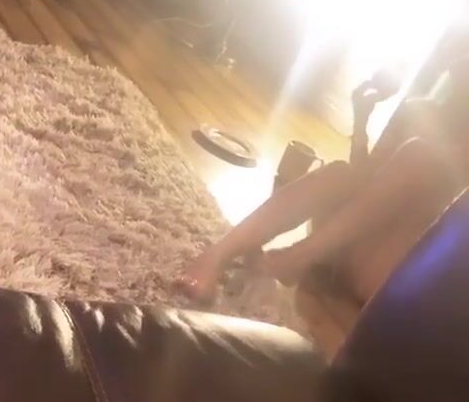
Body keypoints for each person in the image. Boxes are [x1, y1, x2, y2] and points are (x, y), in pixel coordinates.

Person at [181, 61, 469, 352]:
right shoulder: (418, 110)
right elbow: (368, 181)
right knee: (343, 174)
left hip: (389, 279)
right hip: (346, 251)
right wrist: (362, 116)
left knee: (419, 155)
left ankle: (295, 259)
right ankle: (218, 255)